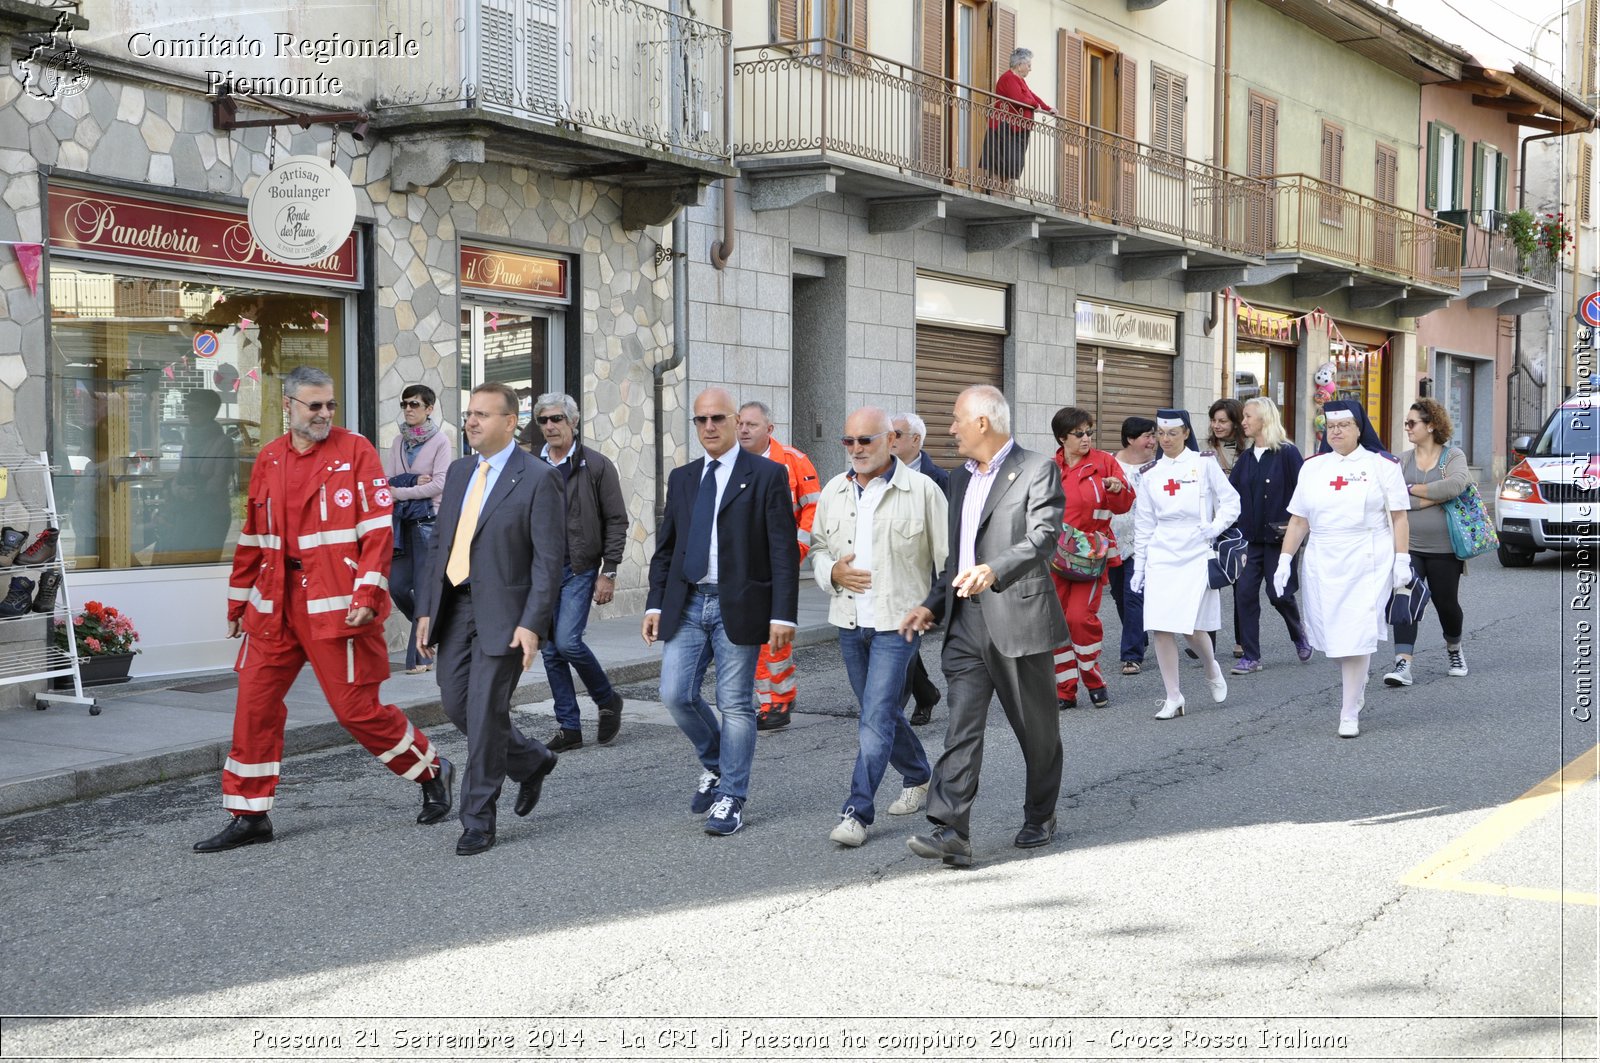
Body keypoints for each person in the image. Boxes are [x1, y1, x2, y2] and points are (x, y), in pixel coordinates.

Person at [194, 366, 452, 854]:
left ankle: (432, 769)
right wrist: (238, 599)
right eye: (314, 405)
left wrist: (367, 596)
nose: (324, 414)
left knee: (357, 711)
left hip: (337, 605)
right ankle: (249, 814)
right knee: (253, 706)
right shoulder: (268, 458)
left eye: (329, 405)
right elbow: (252, 536)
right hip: (275, 606)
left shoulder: (355, 451)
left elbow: (378, 532)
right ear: (288, 405)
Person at [899, 385, 1068, 867]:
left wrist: (995, 569)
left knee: (1036, 729)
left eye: (955, 419)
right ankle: (950, 829)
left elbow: (1043, 537)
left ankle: (1041, 813)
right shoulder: (957, 480)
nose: (949, 428)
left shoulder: (1037, 468)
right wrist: (931, 604)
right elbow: (956, 557)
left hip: (1018, 615)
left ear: (982, 423)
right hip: (965, 620)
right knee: (961, 726)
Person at [414, 382, 566, 855]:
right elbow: (439, 545)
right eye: (468, 414)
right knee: (457, 704)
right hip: (456, 606)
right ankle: (530, 759)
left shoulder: (538, 478)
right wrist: (425, 609)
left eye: (482, 414)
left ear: (509, 422)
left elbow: (548, 561)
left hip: (506, 614)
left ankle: (477, 818)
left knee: (483, 715)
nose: (471, 422)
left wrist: (532, 624)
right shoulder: (460, 472)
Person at [644, 387, 799, 836]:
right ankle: (715, 764)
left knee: (735, 703)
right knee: (675, 694)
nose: (709, 427)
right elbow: (667, 548)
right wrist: (655, 602)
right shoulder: (684, 477)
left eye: (717, 419)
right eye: (700, 420)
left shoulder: (767, 474)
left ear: (736, 422)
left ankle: (731, 796)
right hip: (689, 601)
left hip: (741, 602)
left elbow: (783, 551)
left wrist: (782, 615)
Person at [811, 407, 947, 848]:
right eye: (847, 441)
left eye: (864, 441)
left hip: (898, 623)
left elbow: (948, 562)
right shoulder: (834, 489)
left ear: (891, 440)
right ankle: (919, 774)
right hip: (850, 623)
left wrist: (931, 606)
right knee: (881, 712)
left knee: (873, 717)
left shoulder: (923, 490)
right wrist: (832, 571)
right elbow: (816, 547)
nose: (855, 450)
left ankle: (856, 812)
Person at [1274, 400, 1411, 738]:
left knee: (1356, 631)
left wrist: (1402, 559)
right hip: (1323, 555)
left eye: (1344, 425)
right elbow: (1299, 519)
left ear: (1359, 427)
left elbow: (1398, 516)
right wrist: (1284, 559)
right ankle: (1357, 678)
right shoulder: (1313, 467)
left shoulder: (1382, 465)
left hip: (1368, 554)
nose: (1336, 432)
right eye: (1330, 426)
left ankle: (1349, 710)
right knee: (1333, 636)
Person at [518, 392, 629, 752]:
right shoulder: (531, 467)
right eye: (543, 420)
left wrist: (608, 571)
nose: (550, 426)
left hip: (580, 568)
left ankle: (607, 699)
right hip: (541, 571)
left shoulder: (595, 465)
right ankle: (569, 726)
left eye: (557, 419)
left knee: (567, 641)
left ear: (573, 422)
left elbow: (616, 520)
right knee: (550, 651)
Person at [1130, 409, 1238, 720]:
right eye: (1160, 434)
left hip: (1195, 549)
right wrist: (1140, 566)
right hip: (1162, 553)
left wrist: (1215, 527)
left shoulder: (1204, 464)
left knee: (1191, 628)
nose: (1165, 440)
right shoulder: (1150, 473)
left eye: (1172, 434)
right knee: (1161, 628)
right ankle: (1173, 696)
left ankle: (1210, 666)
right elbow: (1145, 522)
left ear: (1186, 433)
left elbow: (1232, 502)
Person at [735, 401, 819, 731]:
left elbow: (813, 510)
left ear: (769, 430)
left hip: (777, 564)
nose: (743, 429)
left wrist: (795, 550)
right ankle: (768, 700)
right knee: (752, 638)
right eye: (740, 423)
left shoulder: (794, 462)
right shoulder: (730, 462)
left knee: (772, 638)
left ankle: (779, 702)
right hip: (742, 566)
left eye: (751, 425)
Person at [1048, 406, 1132, 710]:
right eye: (1078, 433)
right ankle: (1065, 690)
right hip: (1056, 556)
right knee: (1057, 622)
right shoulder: (1050, 468)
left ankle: (1093, 679)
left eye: (1089, 432)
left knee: (1079, 617)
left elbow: (1124, 504)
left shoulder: (1104, 462)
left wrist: (1117, 488)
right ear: (1062, 438)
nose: (1086, 438)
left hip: (1091, 555)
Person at [1384, 398, 1471, 687]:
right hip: (1407, 546)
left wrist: (1412, 494)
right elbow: (1389, 497)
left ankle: (1454, 648)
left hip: (1446, 548)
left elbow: (1456, 485)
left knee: (1446, 604)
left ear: (1431, 425)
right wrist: (1433, 497)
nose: (1407, 427)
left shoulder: (1453, 456)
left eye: (1412, 423)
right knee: (1404, 597)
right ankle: (1403, 664)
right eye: (1406, 423)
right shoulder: (1401, 460)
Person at [1229, 397, 1312, 675]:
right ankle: (1251, 656)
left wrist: (1300, 525)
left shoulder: (1287, 453)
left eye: (1248, 416)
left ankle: (1298, 631)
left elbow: (1305, 493)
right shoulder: (1245, 458)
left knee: (1279, 594)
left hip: (1280, 537)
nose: (1243, 422)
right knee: (1244, 594)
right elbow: (1231, 495)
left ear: (1264, 418)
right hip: (1249, 539)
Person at [384, 384, 450, 675]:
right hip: (402, 523)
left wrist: (401, 489)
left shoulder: (441, 441)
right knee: (397, 585)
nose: (408, 409)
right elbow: (386, 483)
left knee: (424, 589)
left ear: (429, 409)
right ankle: (433, 629)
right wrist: (411, 483)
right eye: (404, 404)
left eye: (414, 404)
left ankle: (420, 657)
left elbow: (440, 484)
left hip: (428, 523)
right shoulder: (399, 441)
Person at [890, 411, 949, 724]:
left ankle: (892, 710)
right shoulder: (878, 472)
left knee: (904, 636)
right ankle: (925, 693)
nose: (891, 439)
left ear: (915, 440)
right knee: (901, 635)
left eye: (897, 434)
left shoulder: (937, 478)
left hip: (921, 574)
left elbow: (946, 533)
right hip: (889, 571)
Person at [161, 389, 236, 561]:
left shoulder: (223, 442)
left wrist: (196, 491)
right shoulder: (188, 440)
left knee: (204, 562)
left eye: (195, 409)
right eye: (187, 408)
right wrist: (179, 490)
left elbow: (220, 480)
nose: (189, 414)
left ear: (210, 411)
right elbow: (180, 474)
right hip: (187, 512)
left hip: (211, 514)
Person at [1108, 417, 1156, 675]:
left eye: (1153, 436)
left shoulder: (1157, 467)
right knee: (1119, 595)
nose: (1153, 441)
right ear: (1130, 439)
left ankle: (1131, 655)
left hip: (1143, 542)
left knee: (1133, 594)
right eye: (1147, 436)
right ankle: (1140, 635)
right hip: (1112, 539)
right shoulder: (1109, 463)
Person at [979, 48, 1054, 192]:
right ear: (1019, 65)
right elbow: (1018, 98)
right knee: (999, 163)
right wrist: (1035, 105)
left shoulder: (1020, 81)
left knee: (1011, 164)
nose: (1030, 69)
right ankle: (997, 195)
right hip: (1003, 126)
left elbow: (1031, 96)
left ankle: (1004, 194)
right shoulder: (1008, 78)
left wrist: (1046, 107)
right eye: (1029, 65)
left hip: (1016, 129)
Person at [1206, 398, 1246, 475]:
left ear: (1236, 423)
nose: (1215, 426)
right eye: (1213, 420)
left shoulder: (1251, 445)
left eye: (1222, 421)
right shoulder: (1205, 446)